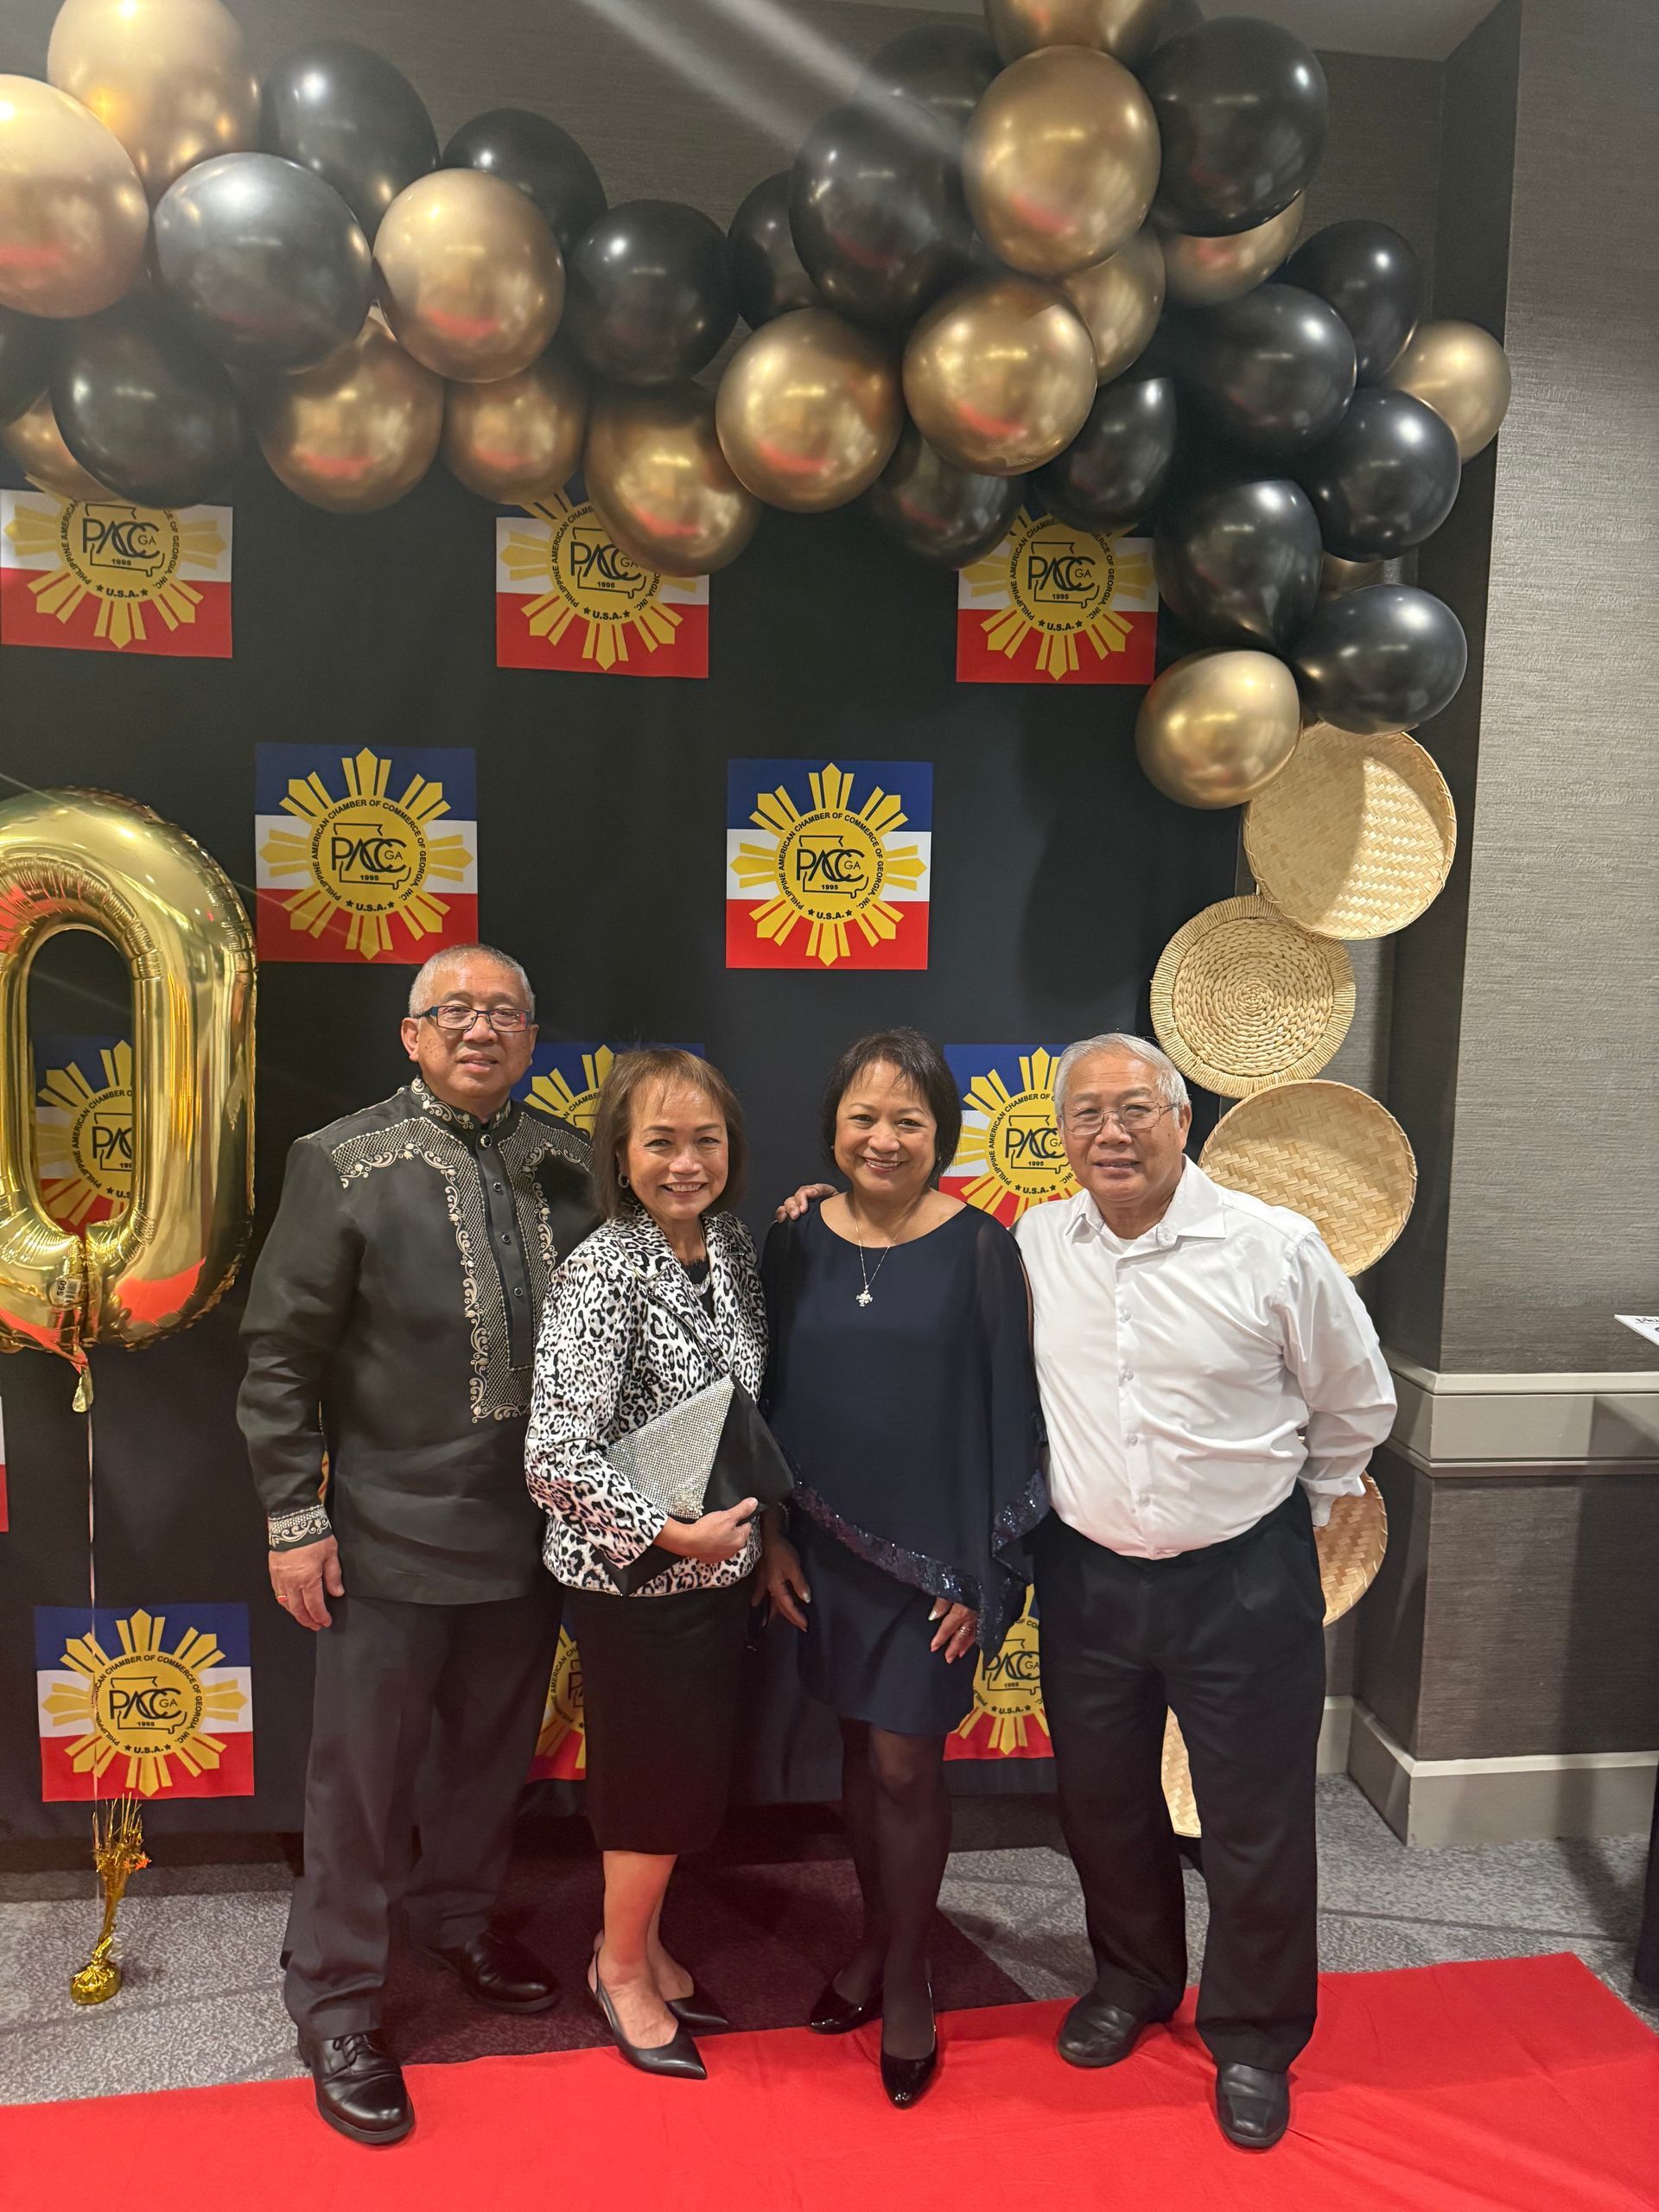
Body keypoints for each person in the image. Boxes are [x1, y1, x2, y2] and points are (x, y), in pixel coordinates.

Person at [238, 944, 597, 2147]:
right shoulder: (342, 1160)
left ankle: (456, 1918)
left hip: (533, 1530)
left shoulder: (571, 1162)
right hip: (385, 1531)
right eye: (454, 1011)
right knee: (361, 1780)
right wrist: (297, 1519)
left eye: (504, 1011)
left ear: (533, 1035)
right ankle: (336, 1996)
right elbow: (280, 1358)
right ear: (410, 1033)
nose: (479, 1028)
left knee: (490, 1756)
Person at [1015, 1033, 1396, 2152]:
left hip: (1241, 1577)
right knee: (1103, 1801)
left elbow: (1354, 1400)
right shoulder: (1040, 1240)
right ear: (1063, 1136)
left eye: (1135, 1108)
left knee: (1253, 1820)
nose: (1111, 1132)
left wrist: (1309, 1502)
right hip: (1086, 1578)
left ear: (1182, 1118)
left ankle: (1255, 2036)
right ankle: (1133, 1981)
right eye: (1085, 1115)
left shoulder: (1272, 1246)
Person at [760, 1029, 1045, 2108]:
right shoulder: (791, 1240)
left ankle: (912, 1968)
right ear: (834, 1126)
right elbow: (764, 1397)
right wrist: (775, 1536)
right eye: (864, 1119)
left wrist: (980, 1569)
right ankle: (875, 1942)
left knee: (904, 1767)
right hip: (824, 1549)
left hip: (933, 1566)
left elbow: (1008, 1415)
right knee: (852, 1750)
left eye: (908, 1121)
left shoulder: (982, 1247)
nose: (883, 1139)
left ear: (942, 1134)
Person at [525, 1049, 766, 2082]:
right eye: (660, 1142)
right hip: (636, 1580)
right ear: (620, 1155)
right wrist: (673, 1536)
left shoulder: (733, 1245)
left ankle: (650, 1947)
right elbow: (552, 1454)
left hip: (721, 1575)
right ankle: (618, 1967)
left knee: (681, 1778)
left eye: (704, 1139)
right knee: (651, 1782)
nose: (685, 1161)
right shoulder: (600, 1271)